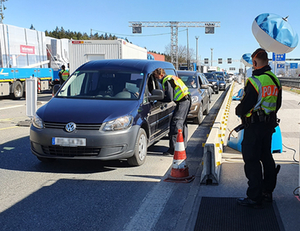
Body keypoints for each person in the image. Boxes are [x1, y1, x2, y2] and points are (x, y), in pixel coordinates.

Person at [235, 48, 282, 208]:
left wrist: (238, 110)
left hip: (254, 126)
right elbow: (278, 104)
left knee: (251, 159)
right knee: (266, 157)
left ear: (254, 62)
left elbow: (246, 106)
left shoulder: (255, 82)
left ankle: (254, 197)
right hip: (268, 125)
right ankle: (267, 192)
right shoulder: (275, 80)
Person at [153, 68, 191, 156]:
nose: (156, 79)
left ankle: (173, 150)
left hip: (183, 102)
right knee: (182, 124)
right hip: (186, 100)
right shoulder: (171, 77)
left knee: (176, 124)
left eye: (156, 77)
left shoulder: (167, 80)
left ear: (161, 75)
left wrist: (159, 100)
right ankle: (182, 147)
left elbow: (170, 97)